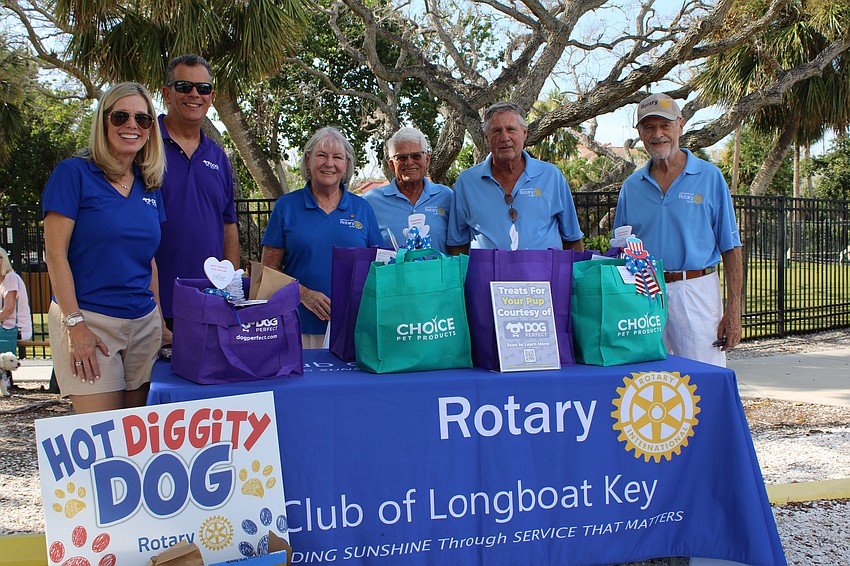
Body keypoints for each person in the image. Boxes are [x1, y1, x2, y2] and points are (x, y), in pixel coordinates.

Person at [43, 82, 167, 414]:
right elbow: (54, 255)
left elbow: (148, 260)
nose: (132, 125)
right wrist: (75, 325)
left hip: (143, 324)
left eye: (142, 119)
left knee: (136, 436)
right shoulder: (72, 174)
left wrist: (159, 322)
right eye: (121, 116)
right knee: (105, 435)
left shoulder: (149, 183)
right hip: (91, 322)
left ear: (150, 129)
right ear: (103, 121)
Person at [613, 93, 743, 367]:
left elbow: (731, 247)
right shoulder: (631, 186)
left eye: (665, 125)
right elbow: (620, 251)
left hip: (695, 291)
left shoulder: (709, 177)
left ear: (680, 125)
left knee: (702, 375)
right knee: (644, 378)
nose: (658, 134)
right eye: (649, 127)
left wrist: (734, 311)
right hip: (644, 293)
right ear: (640, 133)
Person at [261, 127, 383, 348]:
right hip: (298, 326)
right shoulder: (286, 207)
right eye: (321, 155)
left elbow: (379, 266)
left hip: (354, 328)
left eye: (337, 157)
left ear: (346, 164)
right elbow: (268, 269)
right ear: (308, 160)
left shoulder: (363, 209)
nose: (329, 163)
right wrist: (303, 294)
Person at [156, 54, 239, 339]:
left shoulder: (217, 156)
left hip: (209, 302)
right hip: (152, 304)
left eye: (203, 88)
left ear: (211, 97)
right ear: (167, 93)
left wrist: (230, 290)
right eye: (184, 86)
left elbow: (228, 225)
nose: (194, 94)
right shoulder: (145, 145)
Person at [448, 101, 584, 254]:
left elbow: (573, 239)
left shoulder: (551, 177)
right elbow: (458, 245)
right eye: (496, 131)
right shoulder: (467, 182)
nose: (504, 137)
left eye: (511, 129)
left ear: (524, 133)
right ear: (487, 138)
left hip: (544, 269)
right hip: (486, 270)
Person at [363, 127, 453, 253]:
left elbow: (459, 244)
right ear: (391, 164)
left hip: (440, 267)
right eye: (402, 158)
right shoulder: (371, 201)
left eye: (416, 156)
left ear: (427, 159)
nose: (409, 162)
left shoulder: (447, 197)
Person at [0, 247, 33, 385]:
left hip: (16, 329)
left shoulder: (11, 278)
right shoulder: (3, 281)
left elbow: (8, 310)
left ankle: (4, 378)